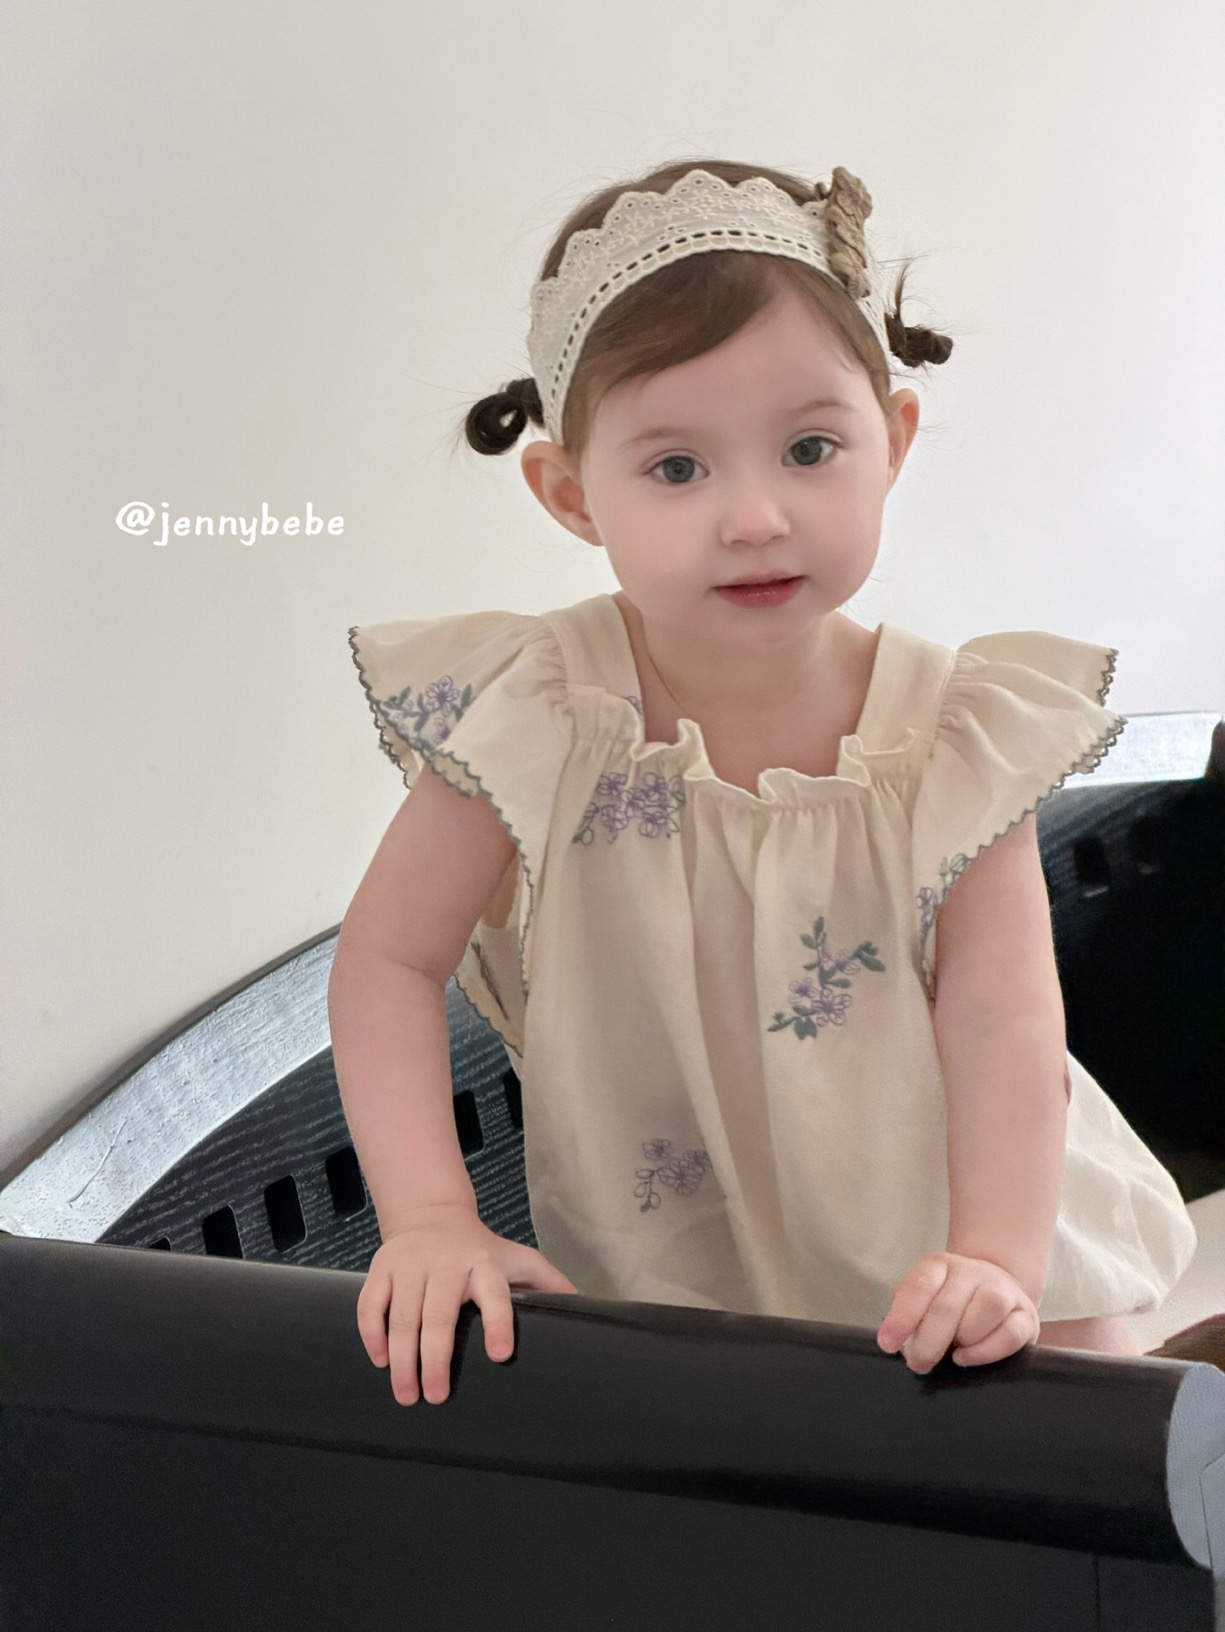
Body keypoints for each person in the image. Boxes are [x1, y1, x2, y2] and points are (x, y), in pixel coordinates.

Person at [328, 158, 1201, 1408]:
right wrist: (427, 1220)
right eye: (676, 468)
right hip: (688, 1269)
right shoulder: (538, 715)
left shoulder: (949, 734)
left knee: (1083, 1459)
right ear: (571, 494)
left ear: (891, 442)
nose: (753, 517)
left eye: (808, 448)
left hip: (978, 1227)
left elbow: (1003, 1013)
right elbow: (387, 962)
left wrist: (998, 1261)